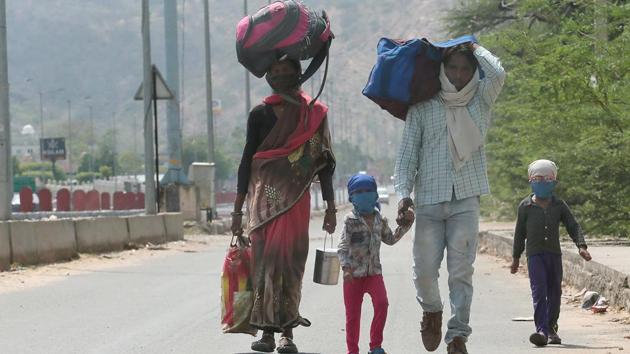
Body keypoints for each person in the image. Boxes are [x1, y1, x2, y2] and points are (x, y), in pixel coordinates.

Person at [395, 41, 506, 354]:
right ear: (442, 69)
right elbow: (406, 156)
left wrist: (476, 46)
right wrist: (404, 195)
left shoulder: (480, 101)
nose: (458, 74)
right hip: (429, 200)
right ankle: (432, 311)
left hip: (466, 200)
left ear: (473, 72)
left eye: (465, 68)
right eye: (453, 67)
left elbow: (498, 74)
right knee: (425, 271)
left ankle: (457, 336)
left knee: (461, 272)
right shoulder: (422, 106)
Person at [231, 58, 337, 353]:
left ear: (298, 74)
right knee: (264, 263)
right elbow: (246, 161)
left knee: (290, 262)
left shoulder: (313, 114)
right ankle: (265, 332)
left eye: (285, 70)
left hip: (295, 202)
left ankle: (287, 333)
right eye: (273, 71)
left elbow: (323, 164)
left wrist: (330, 207)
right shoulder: (259, 114)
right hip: (261, 202)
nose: (279, 75)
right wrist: (237, 210)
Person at [510, 159, 592, 347]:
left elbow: (573, 225)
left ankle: (551, 327)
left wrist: (582, 246)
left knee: (555, 292)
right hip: (535, 255)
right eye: (538, 179)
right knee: (539, 291)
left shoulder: (559, 205)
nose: (542, 183)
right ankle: (541, 331)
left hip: (554, 255)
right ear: (531, 180)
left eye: (547, 179)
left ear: (554, 181)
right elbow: (519, 233)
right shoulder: (525, 207)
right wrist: (515, 258)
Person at [338, 174, 414, 354]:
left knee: (382, 304)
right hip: (353, 276)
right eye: (359, 192)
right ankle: (352, 351)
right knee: (353, 317)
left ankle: (376, 346)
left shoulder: (379, 219)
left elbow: (391, 238)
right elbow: (342, 246)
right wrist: (346, 267)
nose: (364, 195)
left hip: (374, 274)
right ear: (352, 197)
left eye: (368, 191)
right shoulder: (350, 220)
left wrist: (406, 225)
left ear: (375, 195)